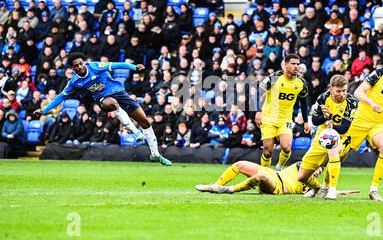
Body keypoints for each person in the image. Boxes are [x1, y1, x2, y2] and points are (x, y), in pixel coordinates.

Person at [33, 52, 172, 166]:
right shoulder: (74, 82)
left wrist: (135, 68)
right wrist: (44, 110)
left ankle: (155, 155)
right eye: (76, 65)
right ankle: (136, 132)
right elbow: (60, 97)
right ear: (73, 69)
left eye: (81, 63)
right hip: (103, 99)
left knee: (145, 122)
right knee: (112, 103)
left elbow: (119, 64)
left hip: (120, 93)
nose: (80, 66)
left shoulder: (96, 66)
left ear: (84, 62)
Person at [328, 51, 383, 201]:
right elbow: (358, 92)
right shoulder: (381, 73)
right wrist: (372, 103)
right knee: (338, 153)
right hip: (359, 119)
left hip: (380, 124)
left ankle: (374, 190)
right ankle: (328, 188)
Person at [297, 75, 358, 199]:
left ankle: (331, 189)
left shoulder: (352, 103)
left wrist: (332, 126)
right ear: (331, 89)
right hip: (322, 135)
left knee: (333, 150)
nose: (342, 94)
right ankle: (318, 188)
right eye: (339, 91)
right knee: (302, 177)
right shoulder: (323, 98)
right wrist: (325, 117)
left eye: (345, 90)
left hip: (343, 137)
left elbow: (345, 127)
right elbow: (314, 120)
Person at [255, 54, 310, 171]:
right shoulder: (274, 77)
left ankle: (279, 169)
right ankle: (264, 174)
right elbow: (259, 92)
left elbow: (304, 102)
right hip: (268, 117)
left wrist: (306, 121)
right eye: (293, 64)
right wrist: (258, 111)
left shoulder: (301, 83)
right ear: (285, 65)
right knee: (268, 151)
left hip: (285, 119)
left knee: (286, 147)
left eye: (298, 64)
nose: (296, 66)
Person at [195, 160, 358, 196]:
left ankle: (228, 190)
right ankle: (216, 185)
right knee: (239, 165)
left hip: (277, 186)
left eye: (319, 172)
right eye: (316, 169)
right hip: (273, 172)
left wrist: (342, 192)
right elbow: (306, 165)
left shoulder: (312, 186)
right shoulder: (301, 166)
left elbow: (326, 190)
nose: (316, 172)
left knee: (261, 176)